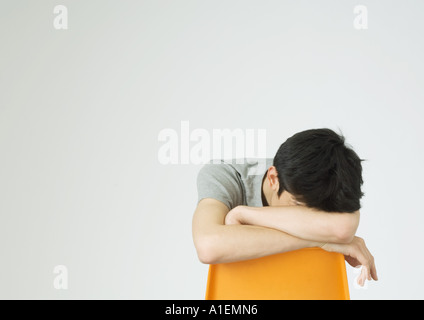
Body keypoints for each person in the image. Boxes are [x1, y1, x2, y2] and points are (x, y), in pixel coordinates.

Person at [192, 128, 378, 286]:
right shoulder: (226, 175)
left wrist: (244, 215)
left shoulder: (331, 182)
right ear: (273, 179)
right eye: (298, 206)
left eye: (314, 215)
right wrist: (320, 241)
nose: (307, 222)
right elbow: (208, 245)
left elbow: (343, 228)